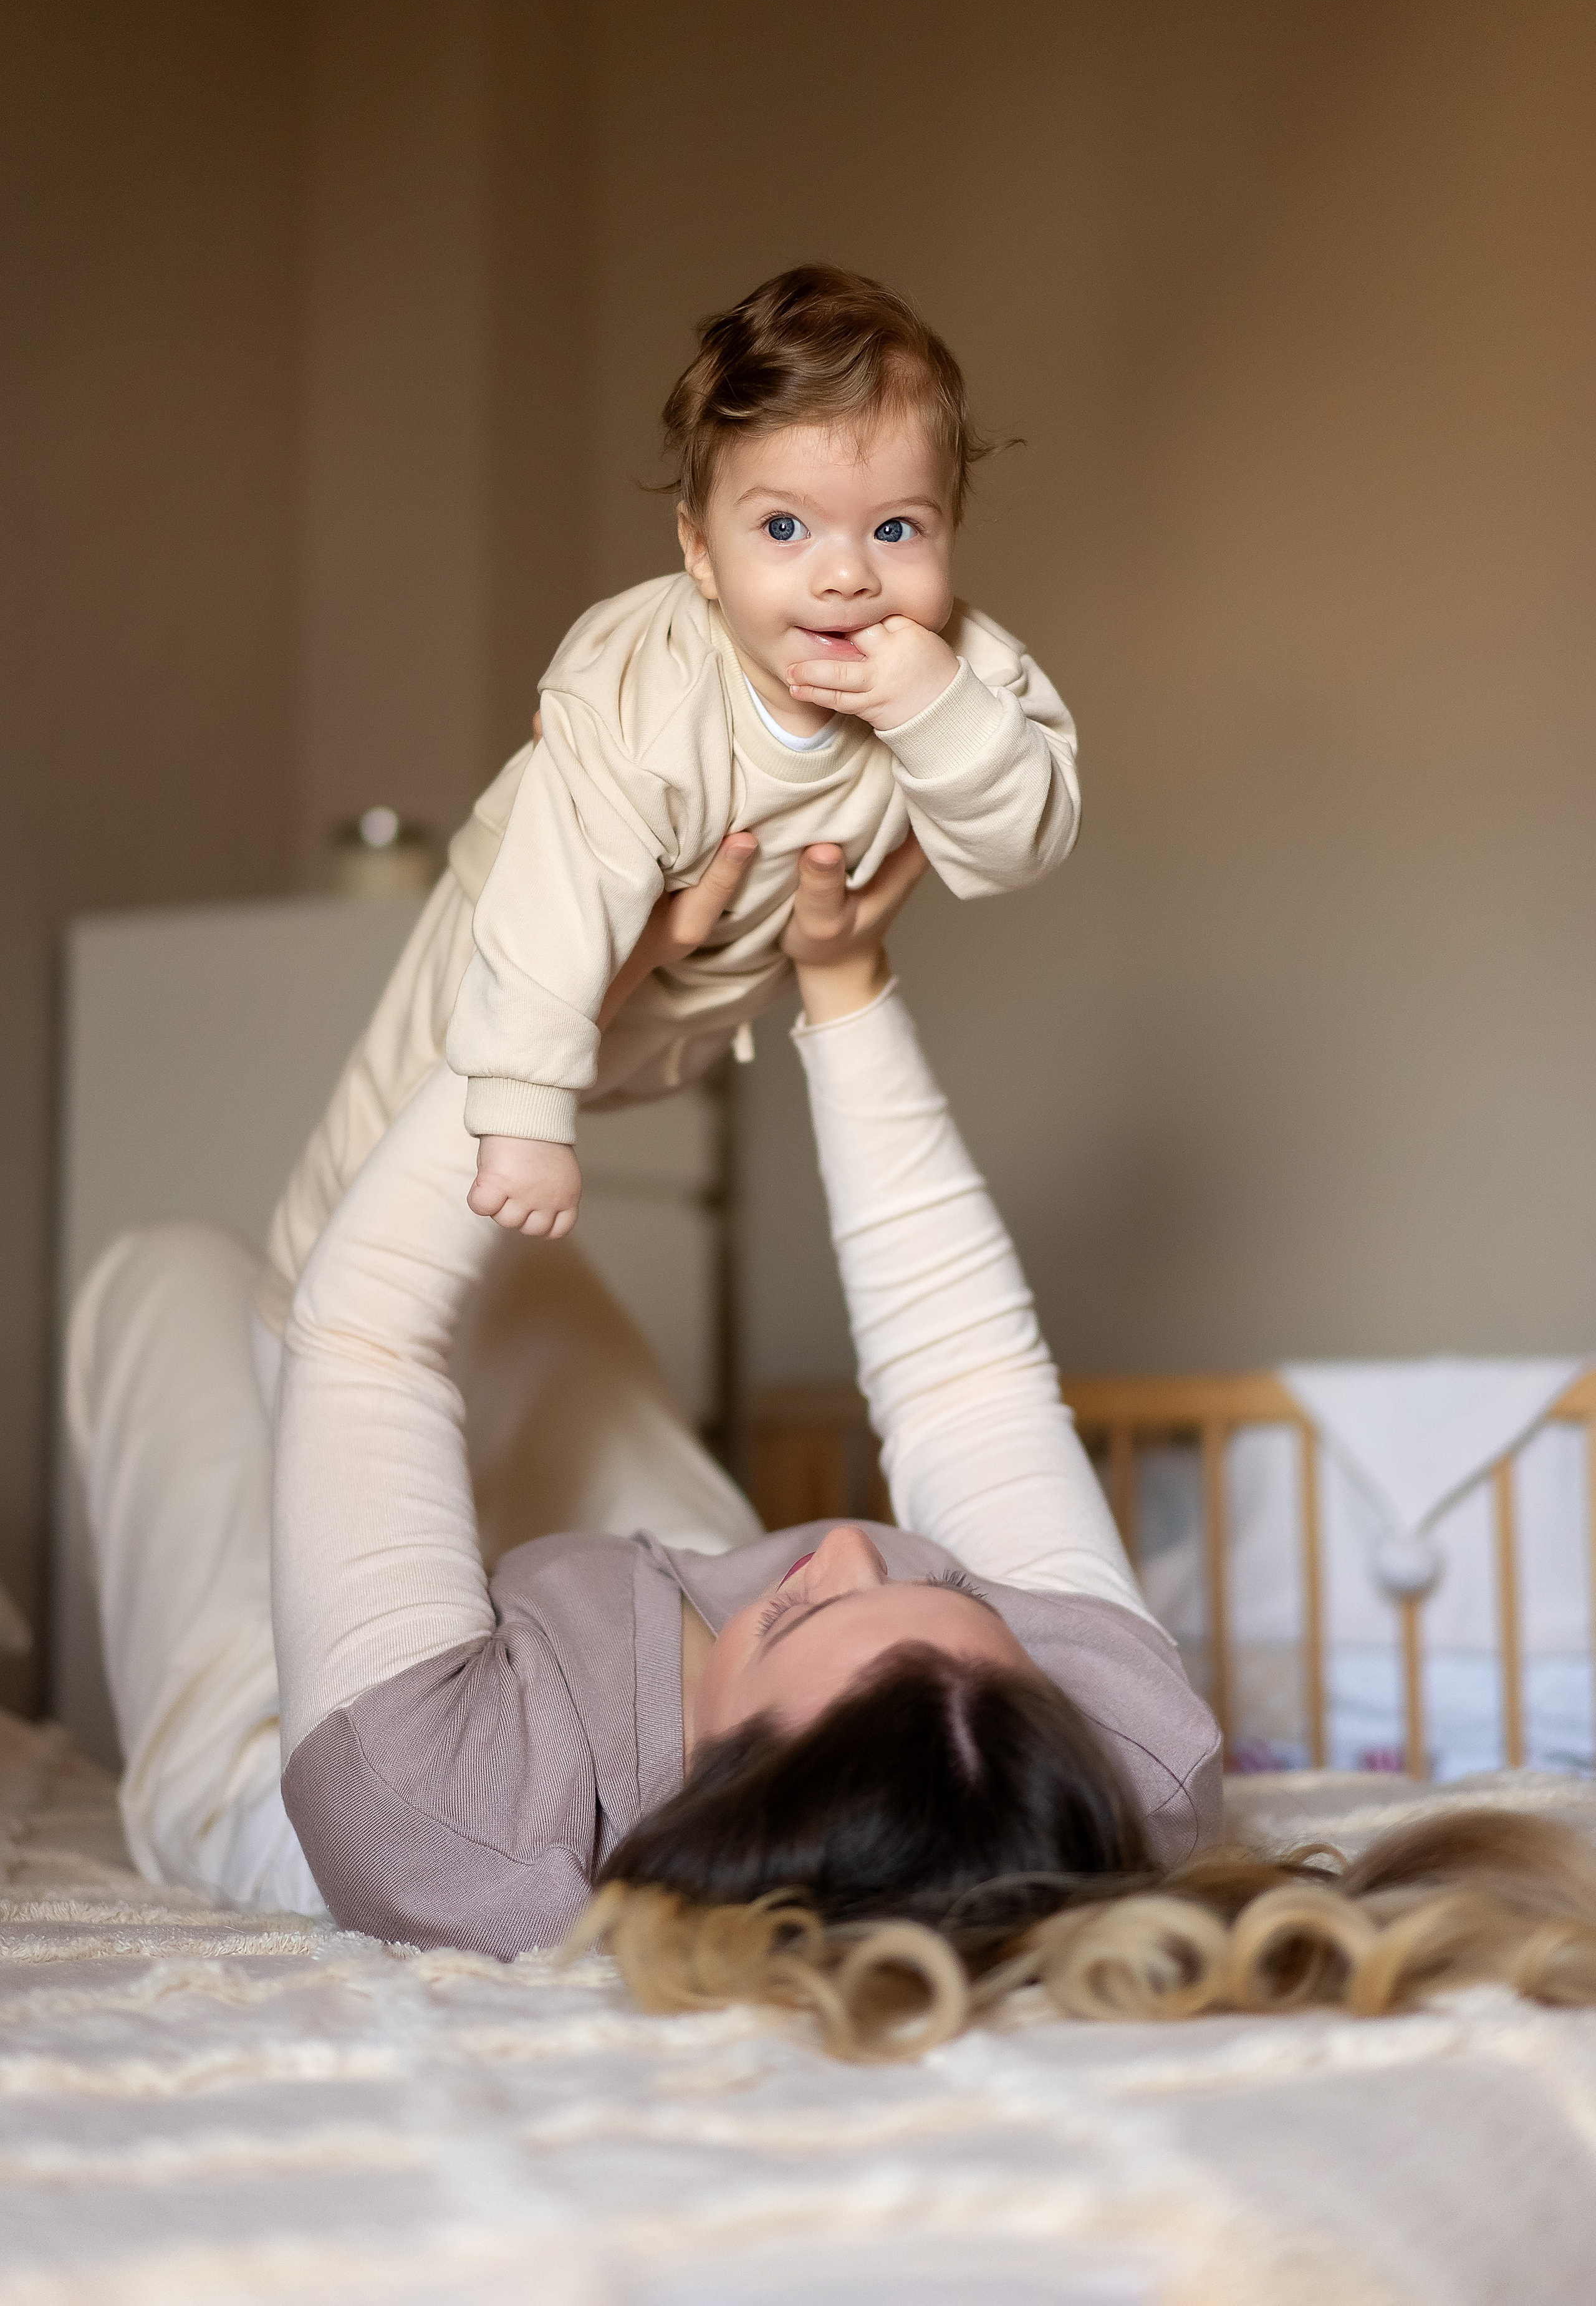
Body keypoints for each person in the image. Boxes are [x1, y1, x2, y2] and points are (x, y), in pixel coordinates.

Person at [67, 849, 1596, 2060]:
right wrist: (845, 988)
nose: (844, 1546)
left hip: (319, 1750)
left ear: (711, 1793)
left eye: (811, 1610)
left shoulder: (442, 1815)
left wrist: (539, 1027)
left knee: (173, 1275)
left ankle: (313, 1529)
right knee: (519, 1264)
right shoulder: (1116, 1753)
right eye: (944, 1600)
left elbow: (363, 1338)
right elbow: (967, 1380)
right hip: (627, 1631)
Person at [255, 263, 1082, 1332]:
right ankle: (282, 1322)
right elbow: (561, 895)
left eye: (896, 530)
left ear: (951, 534)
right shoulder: (648, 692)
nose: (846, 577)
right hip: (515, 974)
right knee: (389, 1152)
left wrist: (939, 711)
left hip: (680, 1023)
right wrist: (521, 1109)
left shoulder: (965, 674)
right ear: (700, 550)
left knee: (499, 1282)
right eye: (785, 529)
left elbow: (1026, 844)